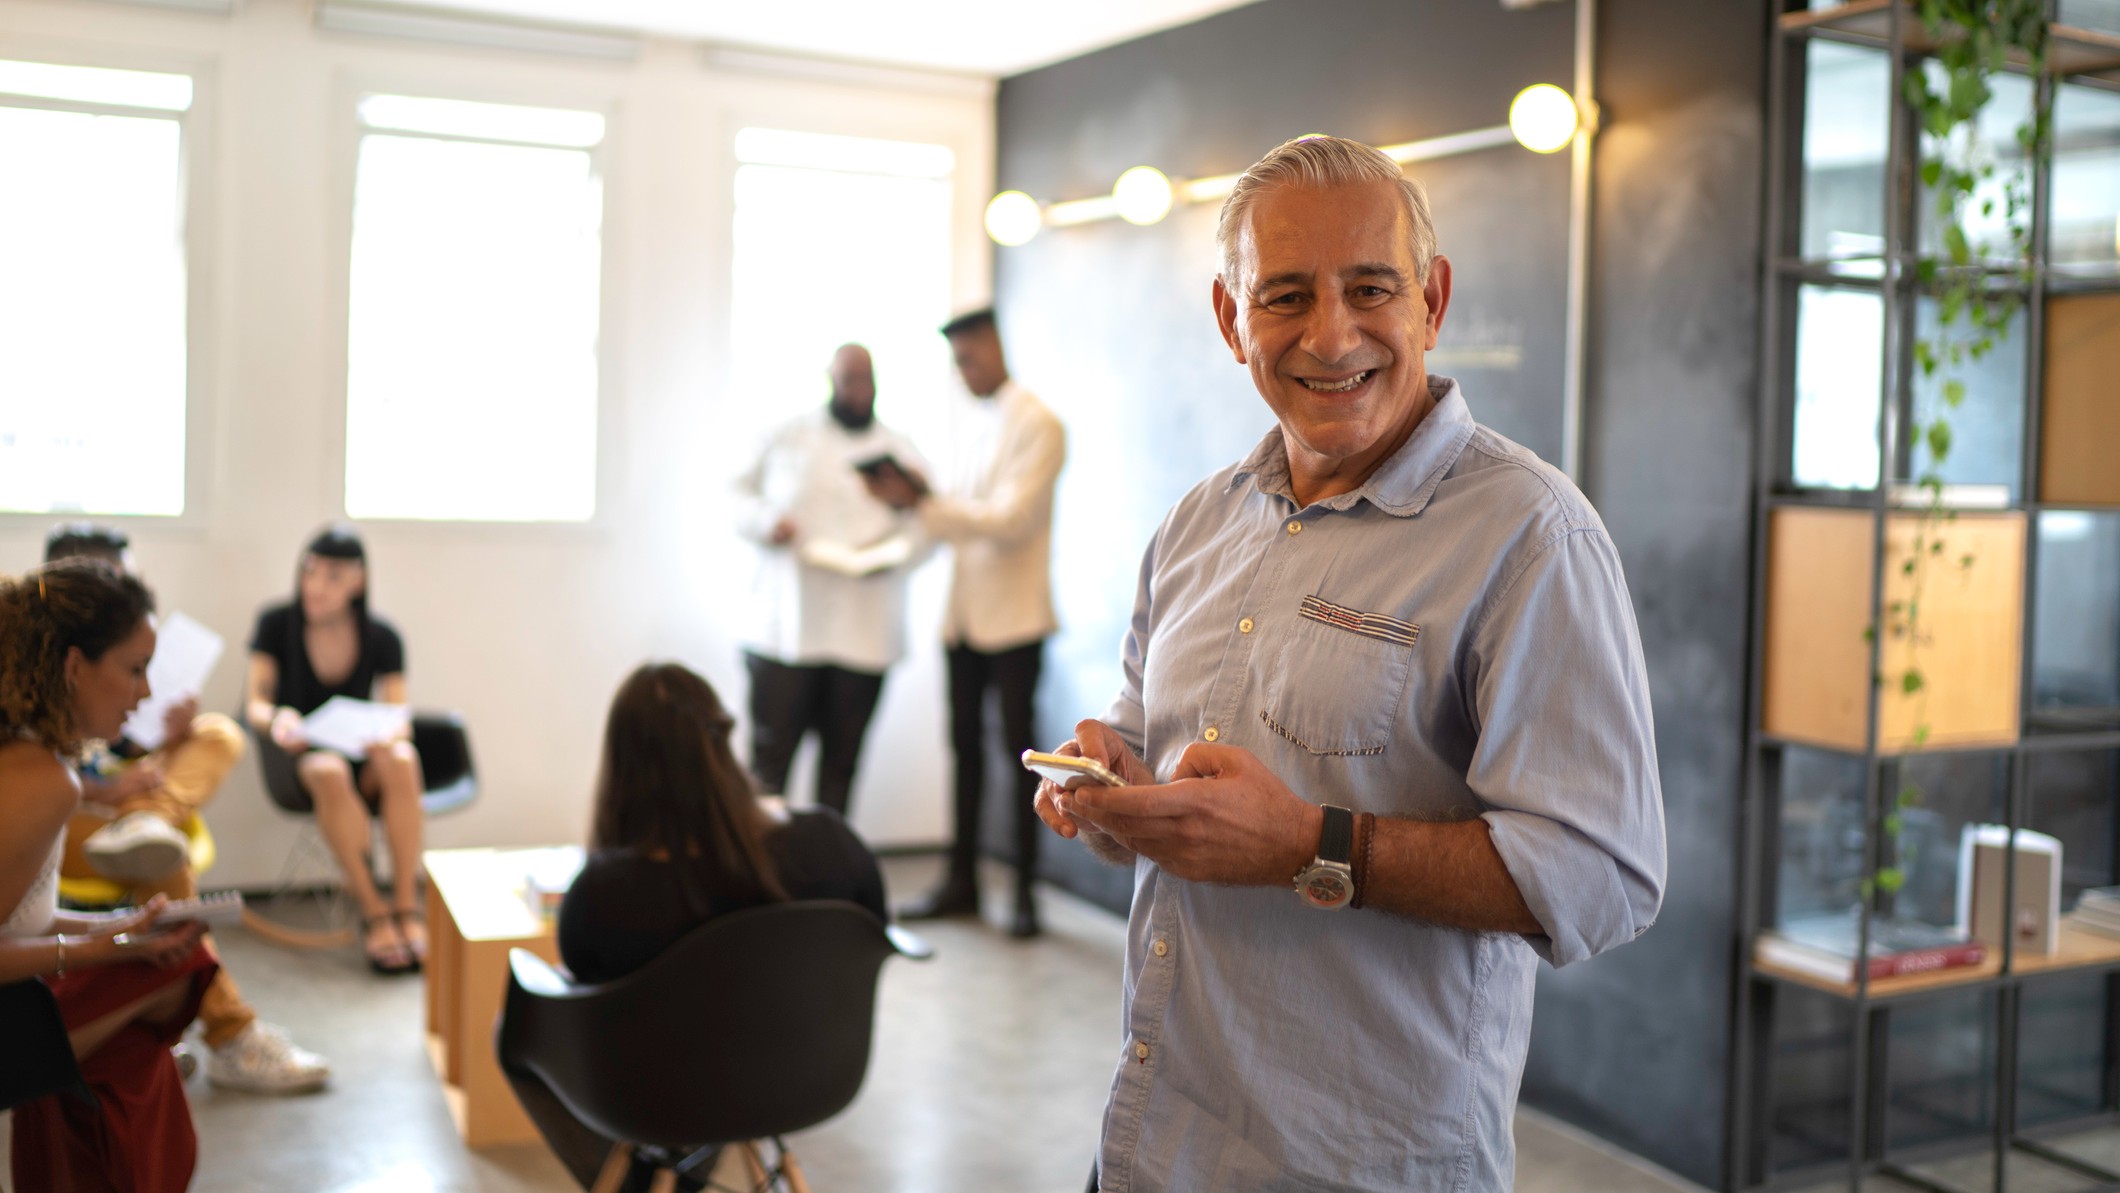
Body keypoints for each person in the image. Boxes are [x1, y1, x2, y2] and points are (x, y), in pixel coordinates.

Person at [1032, 136, 1667, 1190]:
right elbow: (1150, 764)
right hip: (1149, 1148)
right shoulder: (1197, 523)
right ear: (1232, 320)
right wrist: (1111, 792)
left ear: (1432, 300)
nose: (1330, 335)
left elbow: (1602, 878)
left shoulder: (1532, 536)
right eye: (1284, 296)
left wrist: (1306, 843)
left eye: (1370, 288)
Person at [511, 662, 886, 1189]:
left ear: (623, 764)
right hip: (807, 1077)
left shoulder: (605, 891)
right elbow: (877, 928)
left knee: (515, 1027)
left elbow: (582, 980)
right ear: (723, 742)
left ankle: (641, 1179)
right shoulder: (830, 842)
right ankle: (677, 1169)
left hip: (665, 1098)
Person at [45, 525, 329, 1094]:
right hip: (70, 815)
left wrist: (165, 735)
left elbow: (112, 747)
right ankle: (231, 1034)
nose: (131, 597)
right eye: (118, 585)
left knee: (217, 733)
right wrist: (104, 791)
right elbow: (36, 775)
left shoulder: (108, 653)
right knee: (163, 862)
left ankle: (148, 821)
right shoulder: (32, 670)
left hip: (122, 790)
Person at [0, 557, 217, 1192]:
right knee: (182, 970)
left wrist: (121, 927)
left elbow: (21, 920)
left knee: (132, 1035)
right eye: (135, 669)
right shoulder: (44, 779)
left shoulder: (28, 752)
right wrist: (105, 947)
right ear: (73, 667)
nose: (145, 693)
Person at [868, 308, 1065, 938]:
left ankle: (1025, 892)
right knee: (964, 754)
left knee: (1023, 758)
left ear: (994, 345)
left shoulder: (1039, 423)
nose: (963, 372)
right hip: (962, 620)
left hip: (1015, 621)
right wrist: (907, 517)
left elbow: (1012, 522)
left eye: (968, 358)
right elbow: (952, 519)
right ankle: (962, 883)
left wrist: (927, 503)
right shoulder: (973, 423)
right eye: (955, 363)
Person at [735, 343, 928, 817]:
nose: (860, 390)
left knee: (841, 768)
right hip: (787, 628)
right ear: (831, 380)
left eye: (867, 379)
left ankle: (827, 859)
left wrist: (895, 555)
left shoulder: (900, 449)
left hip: (864, 631)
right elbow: (734, 494)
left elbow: (928, 521)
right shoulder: (786, 435)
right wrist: (767, 522)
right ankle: (759, 862)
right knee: (769, 766)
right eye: (850, 380)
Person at [244, 525, 426, 975]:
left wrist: (388, 736)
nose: (316, 587)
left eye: (333, 577)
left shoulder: (382, 636)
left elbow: (398, 713)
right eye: (310, 572)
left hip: (362, 753)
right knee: (329, 770)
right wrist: (278, 719)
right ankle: (374, 911)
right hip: (303, 757)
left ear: (358, 582)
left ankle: (406, 906)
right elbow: (255, 703)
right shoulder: (276, 624)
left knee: (403, 758)